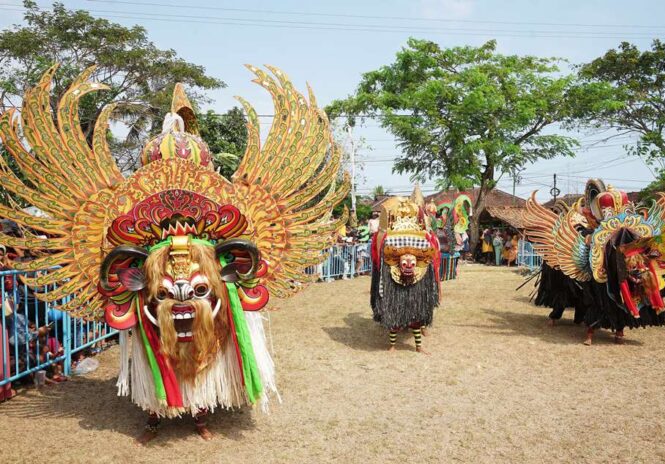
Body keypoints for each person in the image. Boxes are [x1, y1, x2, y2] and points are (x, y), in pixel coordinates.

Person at [0, 66, 347, 442]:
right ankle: (155, 412)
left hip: (206, 300)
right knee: (154, 360)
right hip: (154, 301)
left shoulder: (223, 224)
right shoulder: (130, 225)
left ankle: (200, 411)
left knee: (207, 358)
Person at [524, 177, 665, 345]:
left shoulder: (633, 231)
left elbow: (653, 246)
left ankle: (619, 331)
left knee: (620, 302)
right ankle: (591, 332)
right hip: (602, 273)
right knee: (596, 301)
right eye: (608, 211)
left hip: (627, 273)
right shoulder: (593, 236)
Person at [370, 194, 440, 354]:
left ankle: (418, 345)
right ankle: (393, 345)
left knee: (416, 314)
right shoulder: (387, 237)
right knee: (395, 315)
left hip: (417, 276)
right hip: (395, 273)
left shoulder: (425, 238)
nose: (408, 262)